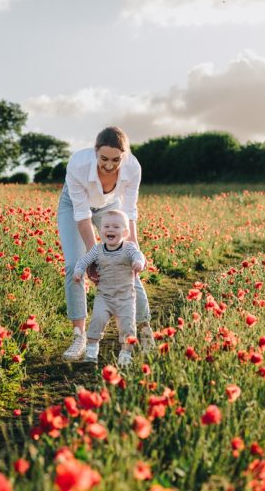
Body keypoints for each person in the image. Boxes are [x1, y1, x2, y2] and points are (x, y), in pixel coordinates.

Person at [58, 126, 154, 362]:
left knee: (128, 263)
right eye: (103, 159)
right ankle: (79, 335)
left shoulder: (133, 168)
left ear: (125, 155)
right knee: (74, 265)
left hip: (110, 206)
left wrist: (134, 249)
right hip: (73, 205)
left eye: (115, 160)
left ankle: (144, 330)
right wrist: (93, 257)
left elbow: (130, 211)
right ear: (95, 152)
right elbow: (82, 215)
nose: (109, 165)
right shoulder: (78, 165)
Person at [73, 209, 146, 366]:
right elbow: (83, 261)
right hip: (104, 296)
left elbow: (139, 255)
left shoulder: (129, 248)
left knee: (127, 326)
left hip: (125, 297)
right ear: (100, 231)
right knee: (97, 321)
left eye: (116, 227)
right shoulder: (97, 250)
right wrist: (79, 271)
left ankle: (126, 352)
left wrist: (139, 263)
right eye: (106, 226)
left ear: (125, 232)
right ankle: (92, 348)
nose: (110, 230)